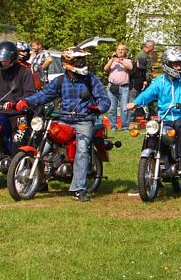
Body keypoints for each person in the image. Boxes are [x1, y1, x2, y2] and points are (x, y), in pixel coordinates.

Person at [15, 47, 110, 202]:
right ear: (67, 63)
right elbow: (44, 95)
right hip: (64, 120)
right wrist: (26, 101)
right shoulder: (60, 81)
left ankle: (79, 188)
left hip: (84, 120)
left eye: (82, 60)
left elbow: (104, 99)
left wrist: (98, 108)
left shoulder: (91, 79)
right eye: (78, 61)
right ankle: (40, 180)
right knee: (43, 147)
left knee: (82, 150)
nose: (82, 63)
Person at [128, 49, 181, 176]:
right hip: (165, 116)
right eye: (175, 64)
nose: (178, 67)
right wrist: (135, 103)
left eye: (180, 64)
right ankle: (149, 160)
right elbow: (148, 93)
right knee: (152, 132)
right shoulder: (160, 81)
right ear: (167, 65)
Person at [103, 43, 133, 131]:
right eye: (119, 50)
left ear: (125, 51)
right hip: (112, 87)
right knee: (112, 108)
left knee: (124, 108)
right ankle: (113, 126)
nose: (120, 51)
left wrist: (120, 61)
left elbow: (130, 68)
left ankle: (125, 127)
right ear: (116, 51)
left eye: (122, 50)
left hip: (124, 87)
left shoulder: (127, 61)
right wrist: (112, 59)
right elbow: (105, 69)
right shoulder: (112, 61)